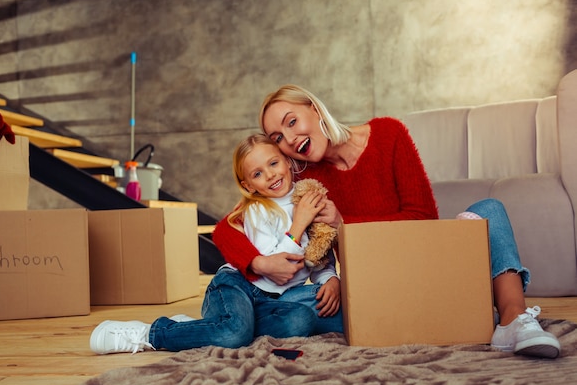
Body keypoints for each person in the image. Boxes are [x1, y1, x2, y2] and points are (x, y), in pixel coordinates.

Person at [212, 84, 561, 359]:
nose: (289, 139)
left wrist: (345, 222)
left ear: (314, 110)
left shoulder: (388, 134)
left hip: (421, 257)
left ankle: (514, 322)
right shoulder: (301, 181)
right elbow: (225, 227)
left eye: (292, 122)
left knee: (489, 206)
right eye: (277, 138)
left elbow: (423, 218)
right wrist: (258, 261)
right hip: (376, 285)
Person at [89, 134, 340, 354]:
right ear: (248, 186)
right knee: (233, 335)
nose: (271, 175)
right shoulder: (257, 209)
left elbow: (320, 253)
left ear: (287, 161)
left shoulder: (309, 196)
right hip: (238, 285)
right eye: (257, 174)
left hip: (275, 299)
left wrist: (330, 280)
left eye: (273, 163)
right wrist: (299, 223)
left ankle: (206, 327)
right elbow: (278, 269)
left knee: (303, 320)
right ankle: (150, 333)